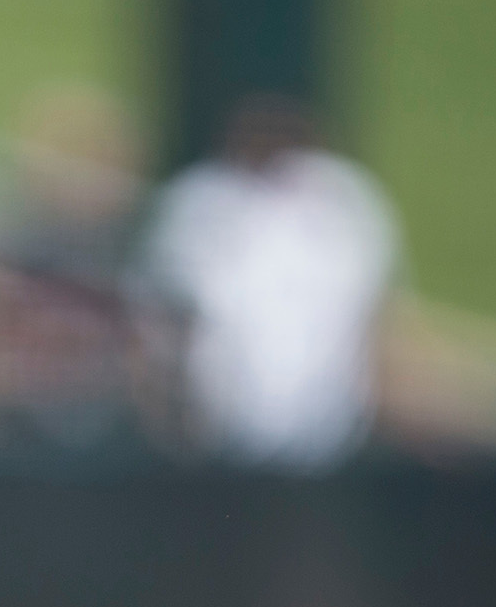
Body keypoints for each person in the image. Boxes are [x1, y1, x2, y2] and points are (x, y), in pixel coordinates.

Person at [133, 96, 398, 472]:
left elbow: (378, 325)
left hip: (330, 443)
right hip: (215, 447)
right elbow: (160, 327)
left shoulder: (347, 200)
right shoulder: (197, 203)